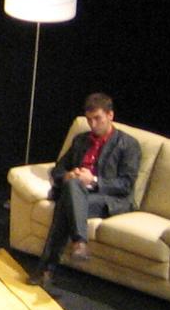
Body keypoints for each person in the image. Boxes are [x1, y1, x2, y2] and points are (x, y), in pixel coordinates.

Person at [37, 92, 141, 284]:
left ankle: (46, 270)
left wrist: (92, 179)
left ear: (110, 116)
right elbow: (58, 169)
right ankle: (79, 244)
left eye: (97, 119)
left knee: (65, 204)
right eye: (89, 120)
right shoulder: (81, 140)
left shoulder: (128, 144)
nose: (93, 124)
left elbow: (126, 185)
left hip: (109, 198)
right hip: (78, 192)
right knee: (71, 187)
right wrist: (67, 175)